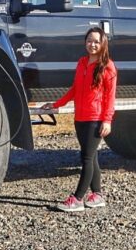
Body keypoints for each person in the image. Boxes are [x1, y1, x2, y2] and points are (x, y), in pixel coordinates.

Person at [42, 27, 117, 212]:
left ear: (103, 44)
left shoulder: (107, 66)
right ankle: (98, 195)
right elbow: (74, 89)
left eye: (97, 42)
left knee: (86, 158)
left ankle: (77, 199)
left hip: (95, 118)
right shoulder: (82, 62)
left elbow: (110, 97)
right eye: (89, 41)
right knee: (92, 156)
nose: (92, 45)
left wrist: (107, 120)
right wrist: (56, 104)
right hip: (80, 118)